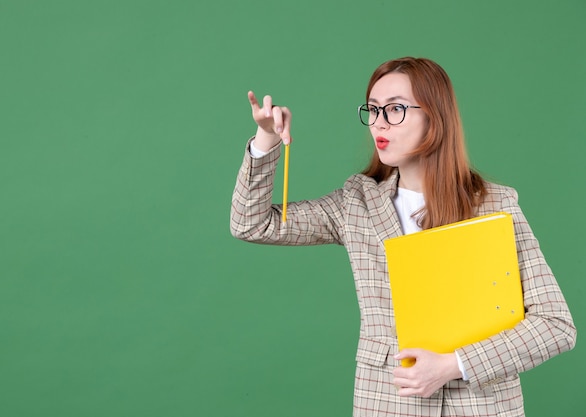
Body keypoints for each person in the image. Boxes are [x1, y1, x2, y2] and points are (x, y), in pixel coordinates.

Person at [229, 57, 576, 417]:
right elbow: (251, 224)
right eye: (373, 110)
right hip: (387, 404)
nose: (379, 123)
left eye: (395, 109)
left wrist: (454, 364)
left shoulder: (496, 205)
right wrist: (266, 139)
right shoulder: (356, 205)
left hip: (483, 406)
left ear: (435, 117)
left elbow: (555, 326)